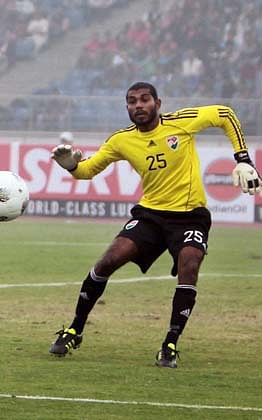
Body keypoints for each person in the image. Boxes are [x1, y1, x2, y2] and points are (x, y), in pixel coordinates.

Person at [49, 81, 262, 368]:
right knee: (107, 261)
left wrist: (243, 159)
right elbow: (88, 170)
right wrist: (71, 166)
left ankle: (170, 344)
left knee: (190, 265)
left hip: (190, 216)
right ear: (127, 107)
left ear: (157, 104)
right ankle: (74, 329)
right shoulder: (121, 141)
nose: (138, 105)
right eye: (132, 101)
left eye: (144, 99)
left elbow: (224, 114)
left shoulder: (180, 123)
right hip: (150, 215)